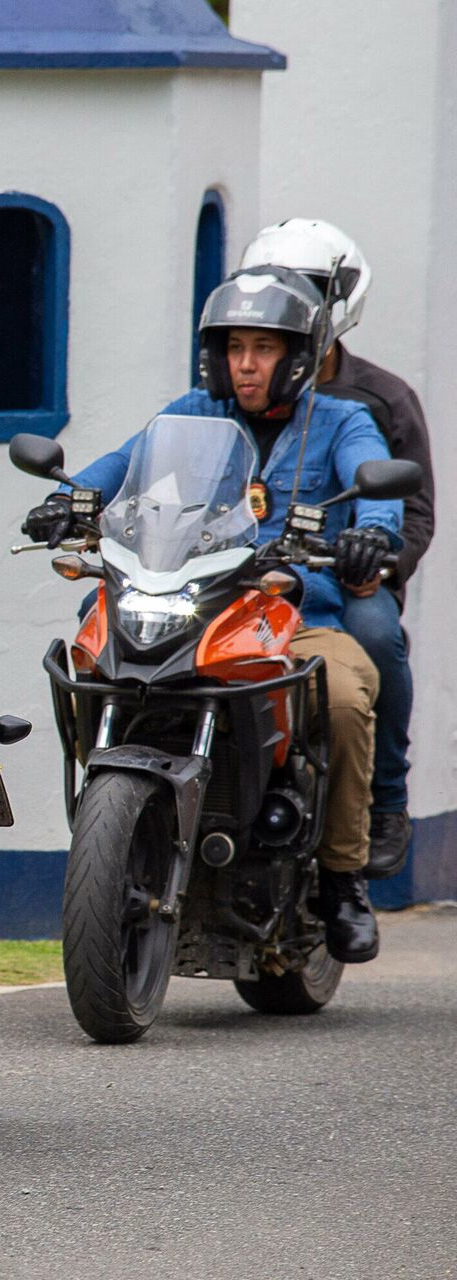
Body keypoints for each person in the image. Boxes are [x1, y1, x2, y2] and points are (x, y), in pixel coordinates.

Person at [23, 266, 401, 964]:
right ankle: (113, 823)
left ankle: (344, 880)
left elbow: (375, 485)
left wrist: (371, 531)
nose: (247, 364)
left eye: (264, 348)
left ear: (298, 357)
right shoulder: (194, 412)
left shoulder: (344, 420)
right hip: (197, 606)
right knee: (88, 641)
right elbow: (121, 466)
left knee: (345, 697)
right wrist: (69, 500)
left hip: (294, 614)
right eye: (235, 348)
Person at [239, 220, 434, 877]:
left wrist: (375, 561)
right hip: (247, 577)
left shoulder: (378, 399)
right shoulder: (228, 392)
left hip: (349, 576)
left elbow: (416, 510)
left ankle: (386, 800)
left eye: (309, 289)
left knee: (376, 639)